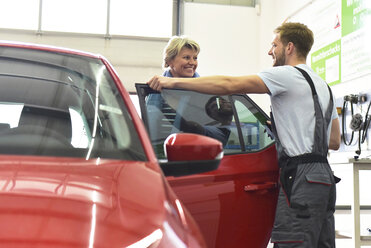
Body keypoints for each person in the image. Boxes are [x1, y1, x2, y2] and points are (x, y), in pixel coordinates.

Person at [147, 22, 341, 248]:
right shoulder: (323, 85)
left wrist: (170, 81)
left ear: (289, 48)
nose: (270, 51)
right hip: (325, 179)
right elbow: (334, 140)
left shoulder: (285, 75)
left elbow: (230, 84)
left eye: (274, 45)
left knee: (293, 242)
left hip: (300, 179)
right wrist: (287, 129)